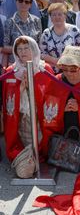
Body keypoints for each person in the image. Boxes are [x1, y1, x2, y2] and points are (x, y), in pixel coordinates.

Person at [2, 36, 54, 167]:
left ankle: (40, 155)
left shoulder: (45, 69)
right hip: (21, 117)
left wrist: (32, 87)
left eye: (26, 48)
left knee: (40, 141)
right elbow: (8, 97)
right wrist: (21, 88)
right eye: (19, 49)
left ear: (34, 49)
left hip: (39, 117)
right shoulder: (11, 71)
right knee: (23, 141)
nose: (23, 52)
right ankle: (24, 158)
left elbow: (51, 96)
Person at [40, 3, 80, 74]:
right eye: (54, 15)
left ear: (65, 16)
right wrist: (57, 61)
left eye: (59, 14)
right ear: (50, 17)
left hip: (72, 71)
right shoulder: (46, 33)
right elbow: (42, 54)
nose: (57, 17)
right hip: (52, 72)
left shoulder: (74, 30)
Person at [3, 0, 42, 65]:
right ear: (16, 2)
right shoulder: (9, 22)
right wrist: (20, 50)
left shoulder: (36, 21)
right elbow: (4, 47)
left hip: (34, 64)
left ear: (30, 4)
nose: (23, 4)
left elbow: (39, 44)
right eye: (20, 1)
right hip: (15, 65)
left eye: (27, 2)